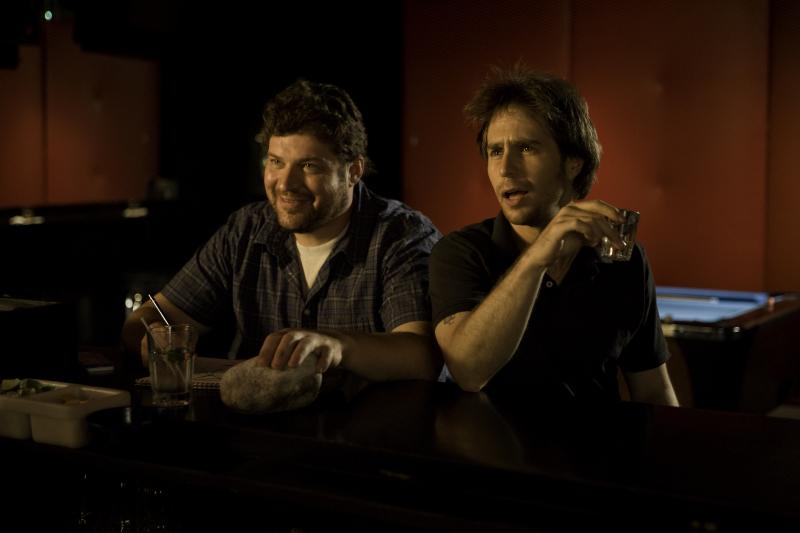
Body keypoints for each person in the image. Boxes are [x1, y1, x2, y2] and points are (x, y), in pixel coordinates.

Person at [122, 79, 442, 383]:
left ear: (353, 171)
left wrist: (336, 346)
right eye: (276, 162)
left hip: (369, 423)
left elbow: (422, 357)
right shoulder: (246, 230)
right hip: (260, 421)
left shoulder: (402, 235)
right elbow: (147, 319)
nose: (286, 184)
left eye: (309, 166)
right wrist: (158, 342)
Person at [429, 67, 678, 406]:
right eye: (495, 151)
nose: (505, 169)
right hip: (493, 442)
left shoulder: (624, 259)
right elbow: (469, 370)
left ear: (573, 162)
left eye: (526, 148)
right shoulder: (460, 252)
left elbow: (653, 390)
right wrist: (537, 258)